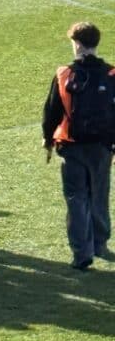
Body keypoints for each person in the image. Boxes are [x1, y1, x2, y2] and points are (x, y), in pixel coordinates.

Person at [42, 22, 115, 270]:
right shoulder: (111, 74)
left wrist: (47, 140)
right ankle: (100, 243)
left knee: (76, 198)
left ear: (77, 44)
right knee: (99, 194)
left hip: (72, 146)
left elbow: (52, 111)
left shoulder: (65, 74)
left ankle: (81, 252)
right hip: (102, 147)